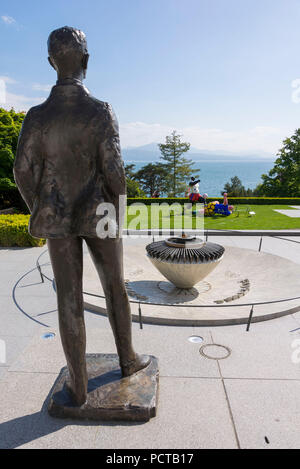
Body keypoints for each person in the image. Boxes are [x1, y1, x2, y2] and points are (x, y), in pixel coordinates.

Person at [14, 26, 149, 406]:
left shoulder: (37, 116)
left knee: (68, 299)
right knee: (114, 288)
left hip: (57, 218)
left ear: (50, 63)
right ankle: (128, 360)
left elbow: (22, 172)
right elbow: (116, 174)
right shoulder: (100, 111)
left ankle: (76, 383)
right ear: (86, 61)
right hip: (99, 214)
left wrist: (41, 207)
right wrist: (118, 211)